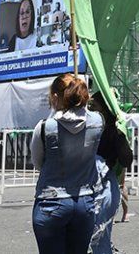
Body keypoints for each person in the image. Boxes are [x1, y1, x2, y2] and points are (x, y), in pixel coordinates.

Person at [31, 73, 106, 253]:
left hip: (51, 200)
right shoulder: (98, 121)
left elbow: (38, 163)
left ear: (56, 97)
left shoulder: (44, 126)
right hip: (84, 199)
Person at [89, 91, 134, 254]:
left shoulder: (113, 131)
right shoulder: (83, 128)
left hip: (104, 188)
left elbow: (126, 160)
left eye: (94, 106)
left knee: (100, 238)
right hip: (83, 187)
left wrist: (120, 134)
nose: (90, 111)